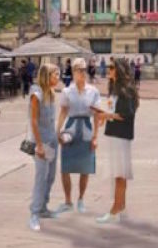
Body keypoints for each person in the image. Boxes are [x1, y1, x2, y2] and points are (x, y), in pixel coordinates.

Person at [56, 58, 100, 213]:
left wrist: (95, 136)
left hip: (86, 127)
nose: (82, 72)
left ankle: (81, 199)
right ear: (73, 72)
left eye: (83, 69)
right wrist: (57, 131)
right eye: (78, 69)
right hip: (71, 127)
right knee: (65, 167)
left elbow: (96, 115)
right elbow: (63, 112)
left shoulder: (93, 91)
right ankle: (68, 200)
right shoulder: (67, 91)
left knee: (85, 167)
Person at [99, 57, 139, 223]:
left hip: (120, 136)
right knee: (118, 174)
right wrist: (105, 116)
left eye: (112, 68)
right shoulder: (116, 89)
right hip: (114, 134)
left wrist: (107, 115)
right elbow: (115, 111)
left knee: (119, 174)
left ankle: (115, 209)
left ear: (119, 70)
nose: (109, 70)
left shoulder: (125, 90)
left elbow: (127, 115)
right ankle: (120, 207)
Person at [28, 63, 61, 231]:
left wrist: (58, 135)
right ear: (46, 76)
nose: (58, 78)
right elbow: (34, 121)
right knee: (41, 177)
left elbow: (51, 120)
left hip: (52, 139)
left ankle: (43, 207)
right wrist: (39, 145)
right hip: (41, 142)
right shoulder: (37, 95)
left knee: (51, 176)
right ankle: (34, 213)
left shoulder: (51, 94)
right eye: (55, 75)